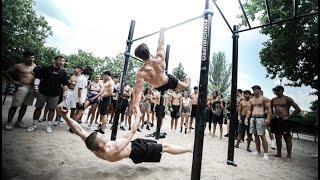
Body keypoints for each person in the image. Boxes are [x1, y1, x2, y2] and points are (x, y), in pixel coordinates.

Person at [55, 104, 193, 164]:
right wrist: (138, 115)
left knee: (165, 146)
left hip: (134, 147)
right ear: (102, 144)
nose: (103, 135)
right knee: (166, 147)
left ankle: (186, 148)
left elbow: (79, 130)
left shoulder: (93, 145)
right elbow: (131, 132)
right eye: (102, 136)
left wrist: (66, 117)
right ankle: (188, 149)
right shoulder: (113, 149)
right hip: (138, 150)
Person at [131, 28, 190, 118]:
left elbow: (137, 92)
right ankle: (188, 81)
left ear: (140, 58)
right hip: (167, 81)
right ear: (149, 51)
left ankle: (178, 88)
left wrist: (136, 105)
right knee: (185, 86)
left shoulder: (141, 73)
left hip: (158, 87)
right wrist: (162, 33)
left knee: (178, 90)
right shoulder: (160, 58)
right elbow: (161, 43)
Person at [28, 55, 68, 133]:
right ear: (55, 60)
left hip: (55, 94)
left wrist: (65, 94)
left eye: (63, 61)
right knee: (38, 108)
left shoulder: (63, 72)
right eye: (60, 60)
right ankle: (34, 124)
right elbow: (38, 77)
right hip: (42, 92)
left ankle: (48, 125)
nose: (61, 62)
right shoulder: (46, 68)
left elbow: (65, 84)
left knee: (52, 109)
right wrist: (36, 88)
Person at [3, 51, 37, 130]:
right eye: (29, 57)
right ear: (25, 58)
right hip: (22, 87)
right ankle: (9, 122)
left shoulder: (35, 67)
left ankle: (19, 121)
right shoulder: (19, 66)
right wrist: (14, 81)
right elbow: (6, 72)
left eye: (32, 57)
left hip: (31, 88)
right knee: (14, 105)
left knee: (25, 106)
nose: (31, 59)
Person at [270, 85, 301, 159]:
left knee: (287, 137)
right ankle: (279, 153)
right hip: (276, 120)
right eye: (275, 90)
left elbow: (297, 109)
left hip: (285, 120)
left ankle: (289, 155)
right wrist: (272, 115)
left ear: (282, 91)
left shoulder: (287, 99)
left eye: (278, 90)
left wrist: (290, 116)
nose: (276, 92)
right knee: (277, 137)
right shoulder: (273, 99)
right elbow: (270, 109)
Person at [245, 85, 272, 160]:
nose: (254, 91)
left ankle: (266, 154)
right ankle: (258, 151)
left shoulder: (264, 99)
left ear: (259, 90)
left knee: (262, 136)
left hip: (260, 118)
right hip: (253, 118)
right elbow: (249, 110)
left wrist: (268, 119)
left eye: (255, 89)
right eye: (253, 89)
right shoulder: (251, 100)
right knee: (255, 135)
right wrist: (247, 118)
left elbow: (269, 110)